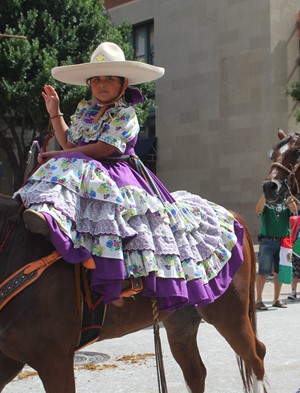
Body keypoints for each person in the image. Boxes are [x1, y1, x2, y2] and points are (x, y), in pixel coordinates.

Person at [15, 42, 245, 311]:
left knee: (128, 219)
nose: (102, 84)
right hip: (86, 169)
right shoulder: (84, 111)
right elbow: (69, 143)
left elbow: (105, 149)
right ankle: (56, 232)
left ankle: (130, 277)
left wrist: (60, 156)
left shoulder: (126, 113)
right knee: (65, 178)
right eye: (96, 79)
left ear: (123, 84)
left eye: (109, 79)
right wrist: (55, 113)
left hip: (116, 172)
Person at [255, 142, 298, 310]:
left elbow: (294, 210)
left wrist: (288, 196)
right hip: (267, 241)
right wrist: (266, 191)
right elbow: (258, 210)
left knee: (280, 272)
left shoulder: (283, 205)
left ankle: (276, 299)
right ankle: (258, 300)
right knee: (263, 271)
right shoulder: (267, 204)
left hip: (283, 241)